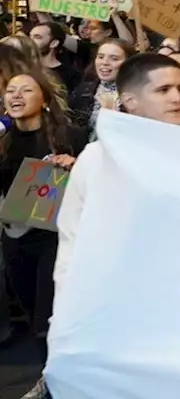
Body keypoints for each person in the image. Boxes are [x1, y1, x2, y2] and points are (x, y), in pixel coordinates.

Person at [55, 54, 180, 324]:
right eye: (164, 90)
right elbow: (73, 238)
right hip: (112, 306)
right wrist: (65, 315)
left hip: (177, 305)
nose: (177, 98)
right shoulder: (97, 158)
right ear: (130, 101)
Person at [0, 72, 86, 345]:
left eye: (25, 90)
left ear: (45, 99)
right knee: (30, 309)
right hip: (16, 238)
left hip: (56, 237)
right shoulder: (4, 141)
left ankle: (50, 381)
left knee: (48, 318)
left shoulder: (71, 136)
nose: (16, 96)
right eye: (11, 90)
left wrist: (76, 165)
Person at [68, 38, 136, 133]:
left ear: (128, 63)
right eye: (100, 57)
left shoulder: (138, 96)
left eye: (114, 59)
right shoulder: (83, 90)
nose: (105, 62)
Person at [28, 22, 80, 93]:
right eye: (30, 36)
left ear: (54, 43)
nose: (29, 41)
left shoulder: (71, 75)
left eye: (37, 37)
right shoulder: (22, 68)